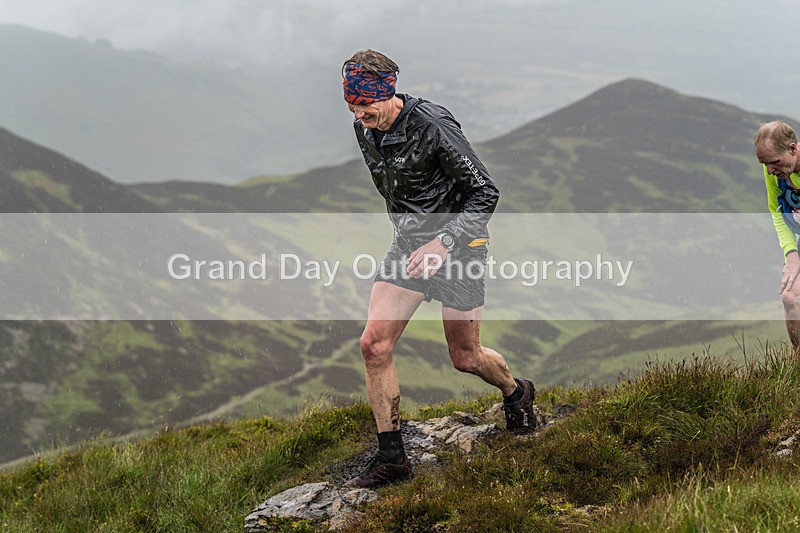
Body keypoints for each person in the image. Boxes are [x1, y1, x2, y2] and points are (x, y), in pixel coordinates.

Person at [341, 49, 537, 489]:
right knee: (373, 345)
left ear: (387, 93)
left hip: (460, 248)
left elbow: (485, 193)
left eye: (364, 104)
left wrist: (443, 241)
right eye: (350, 105)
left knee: (465, 357)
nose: (357, 114)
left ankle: (516, 391)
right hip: (409, 248)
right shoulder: (366, 128)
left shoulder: (432, 125)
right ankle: (392, 458)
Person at [754, 120, 800, 351]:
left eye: (774, 162)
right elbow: (777, 211)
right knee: (790, 297)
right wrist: (791, 255)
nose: (770, 170)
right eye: (765, 164)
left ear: (792, 149)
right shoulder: (774, 172)